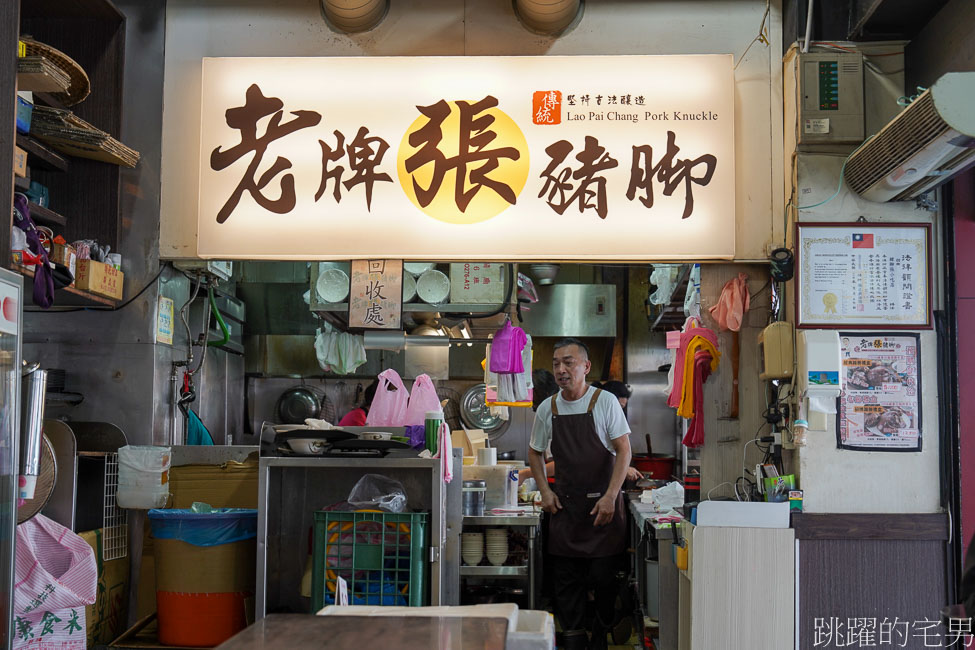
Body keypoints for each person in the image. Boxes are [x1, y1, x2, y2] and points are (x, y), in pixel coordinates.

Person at [528, 338, 633, 650]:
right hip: (566, 513)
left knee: (604, 581)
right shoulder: (548, 407)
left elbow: (624, 450)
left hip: (603, 511)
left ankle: (601, 630)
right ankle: (574, 637)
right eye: (557, 363)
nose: (561, 369)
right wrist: (545, 492)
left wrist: (611, 496)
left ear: (585, 367)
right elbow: (534, 454)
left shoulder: (605, 402)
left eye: (568, 362)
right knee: (565, 586)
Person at [519, 377, 640, 485]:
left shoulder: (607, 420)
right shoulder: (553, 414)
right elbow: (567, 463)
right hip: (565, 487)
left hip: (599, 488)